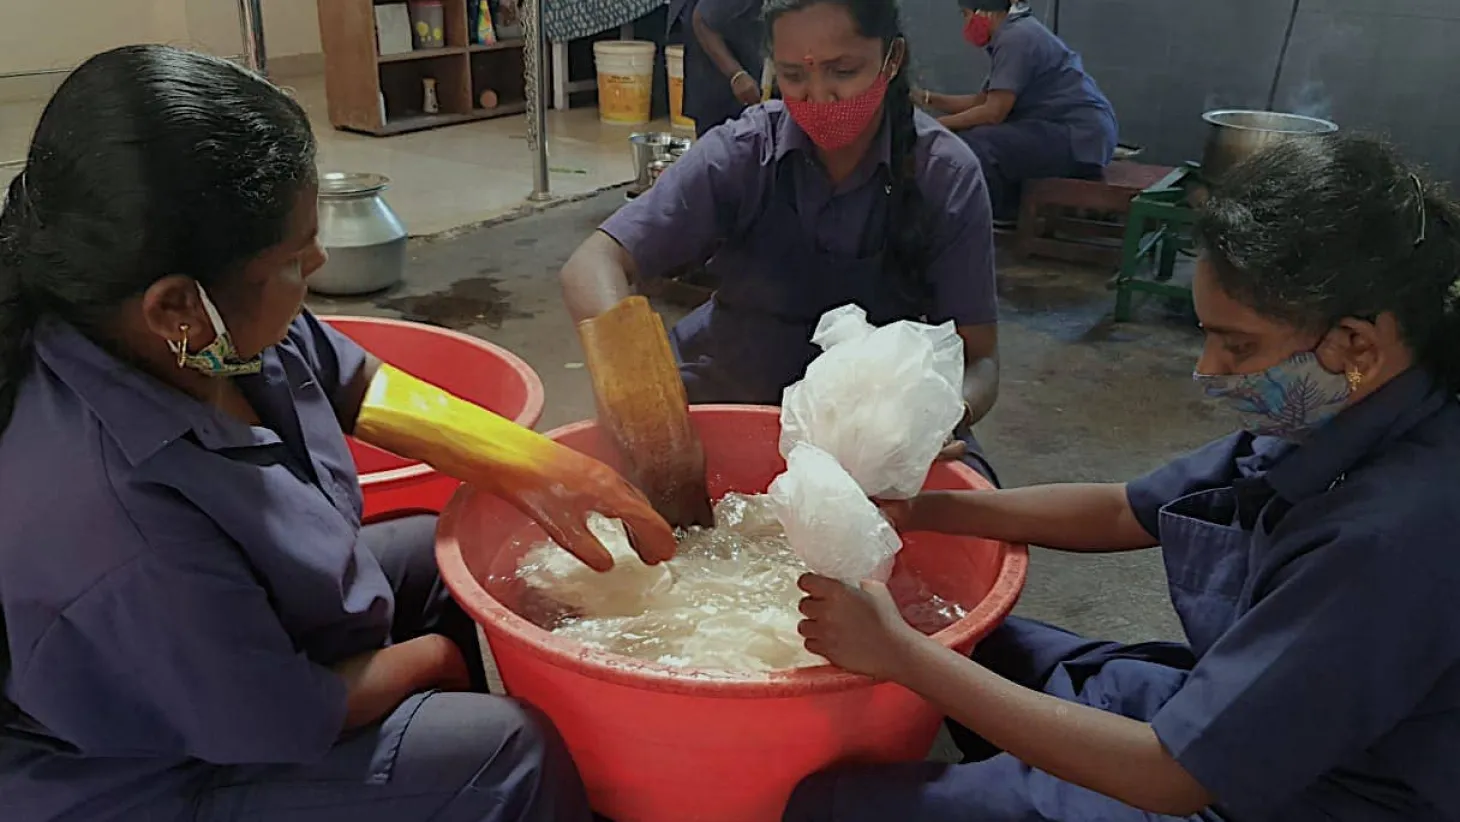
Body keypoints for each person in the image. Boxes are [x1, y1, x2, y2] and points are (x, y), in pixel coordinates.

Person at [0, 45, 677, 822]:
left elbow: (349, 379)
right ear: (175, 305)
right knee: (506, 753)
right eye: (296, 257)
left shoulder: (205, 334)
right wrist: (434, 660)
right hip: (159, 774)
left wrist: (533, 466)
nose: (319, 262)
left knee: (432, 552)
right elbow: (277, 716)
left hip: (230, 655)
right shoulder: (114, 526)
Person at [784, 133, 1460, 821]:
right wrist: (918, 506)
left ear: (1357, 344)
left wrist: (900, 655)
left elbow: (1173, 776)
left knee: (832, 804)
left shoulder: (1392, 539)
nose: (1207, 369)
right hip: (1250, 716)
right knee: (971, 639)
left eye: (1237, 345)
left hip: (1292, 794)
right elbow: (1123, 509)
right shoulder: (1332, 419)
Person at [563, 0, 1002, 485]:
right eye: (794, 75)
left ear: (891, 59)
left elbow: (980, 358)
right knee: (611, 479)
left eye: (843, 71)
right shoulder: (745, 152)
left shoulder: (944, 175)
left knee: (967, 498)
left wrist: (941, 416)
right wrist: (637, 386)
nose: (819, 96)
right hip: (728, 381)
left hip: (870, 422)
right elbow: (594, 262)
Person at [916, 0, 1117, 224]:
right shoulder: (1016, 33)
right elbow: (981, 102)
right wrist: (926, 98)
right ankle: (1010, 210)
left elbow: (993, 113)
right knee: (981, 136)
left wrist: (936, 127)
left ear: (985, 12)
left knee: (978, 145)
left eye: (966, 15)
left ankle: (989, 218)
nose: (966, 24)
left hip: (1078, 137)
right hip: (1073, 133)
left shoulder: (1016, 38)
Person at [670, 0, 766, 138]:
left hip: (742, 52)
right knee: (722, 141)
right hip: (720, 79)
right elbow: (702, 19)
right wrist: (737, 75)